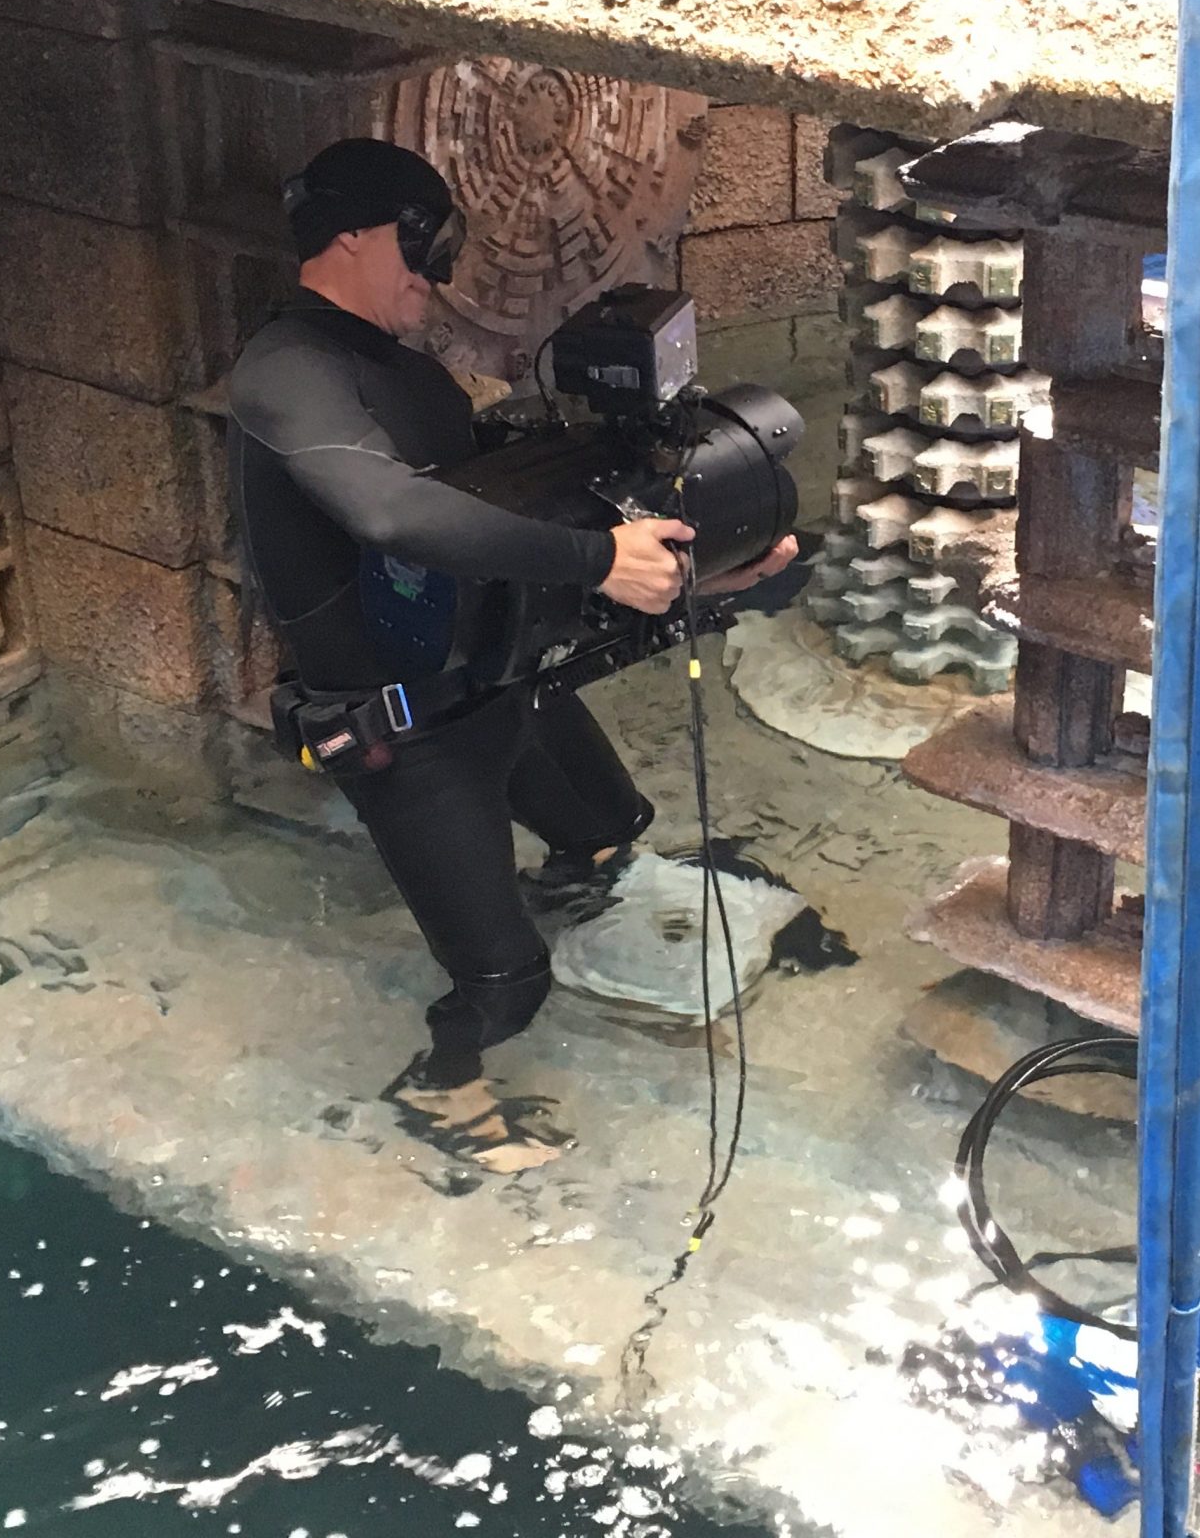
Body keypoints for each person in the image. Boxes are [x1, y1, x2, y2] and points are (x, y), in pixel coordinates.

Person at [227, 138, 794, 1160]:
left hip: (499, 683)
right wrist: (596, 559)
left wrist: (709, 572)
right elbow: (397, 519)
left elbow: (514, 531)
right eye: (424, 245)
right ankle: (441, 1090)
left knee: (612, 827)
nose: (436, 277)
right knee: (505, 980)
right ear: (356, 237)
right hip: (402, 732)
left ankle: (556, 892)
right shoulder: (287, 374)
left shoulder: (403, 375)